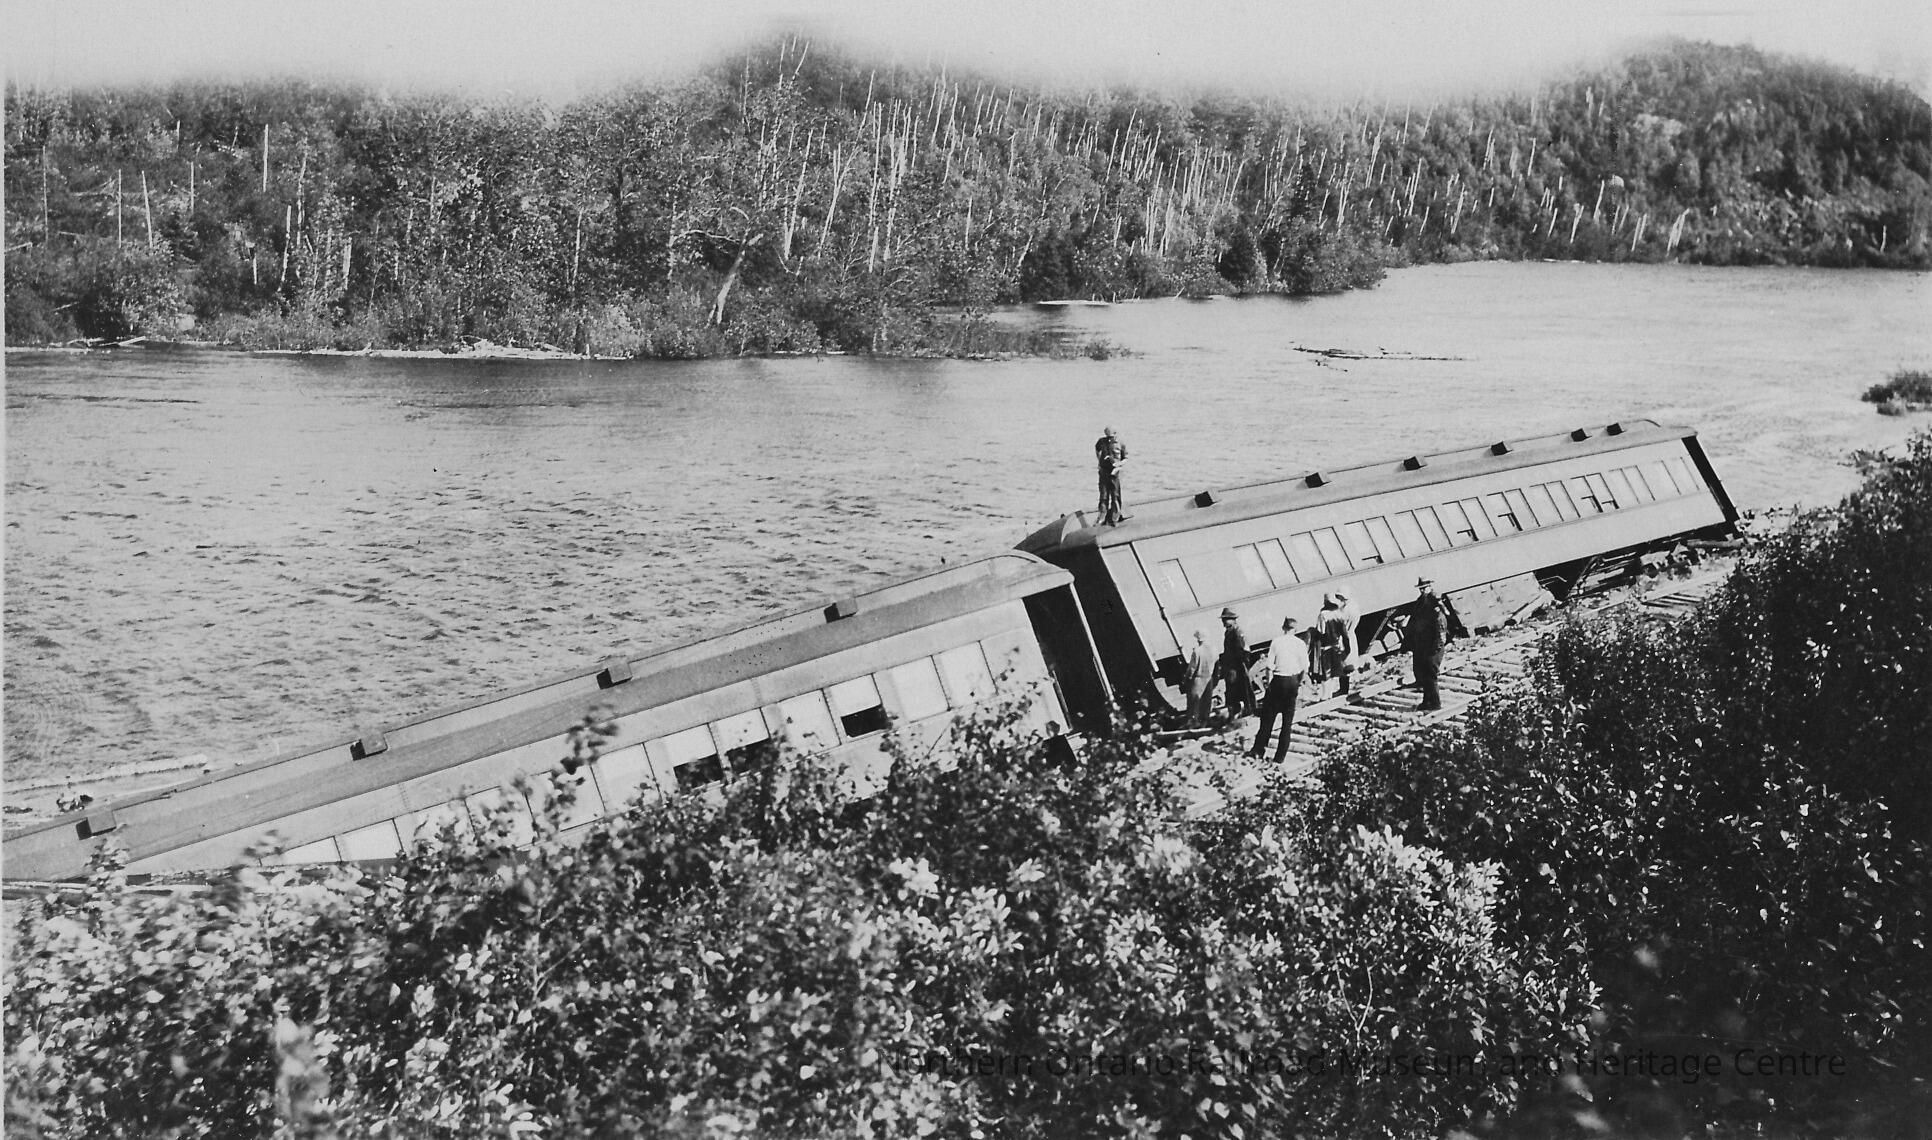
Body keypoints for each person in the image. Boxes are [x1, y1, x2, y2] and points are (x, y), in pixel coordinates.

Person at [1248, 617, 1308, 763]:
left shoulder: (1276, 642)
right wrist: (1297, 683)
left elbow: (1269, 667)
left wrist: (1269, 685)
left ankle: (1258, 750)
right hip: (1292, 681)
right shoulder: (1300, 644)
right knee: (1287, 723)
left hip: (1279, 681)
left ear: (1283, 628)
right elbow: (1305, 668)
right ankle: (1279, 758)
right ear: (1295, 629)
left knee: (1267, 719)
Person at [1403, 577, 1451, 711]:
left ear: (1430, 587)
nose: (1423, 591)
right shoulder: (1420, 602)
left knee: (1430, 675)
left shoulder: (1435, 604)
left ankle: (1435, 703)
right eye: (1421, 589)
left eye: (1425, 588)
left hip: (1433, 646)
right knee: (1424, 674)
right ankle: (1426, 701)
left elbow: (1440, 627)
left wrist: (1437, 647)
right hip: (1423, 645)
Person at [1317, 591, 1360, 702]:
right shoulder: (1340, 613)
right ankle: (1343, 690)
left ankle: (1327, 695)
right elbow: (1344, 632)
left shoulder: (1323, 614)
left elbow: (1321, 631)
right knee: (1341, 668)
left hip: (1327, 645)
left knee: (1327, 670)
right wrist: (1346, 646)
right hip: (1339, 644)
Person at [1217, 608, 1255, 719]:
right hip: (1231, 665)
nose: (1223, 622)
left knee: (1243, 687)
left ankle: (1248, 709)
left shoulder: (1237, 631)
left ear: (1233, 619)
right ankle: (1236, 710)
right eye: (1223, 619)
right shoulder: (1229, 632)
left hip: (1237, 665)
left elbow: (1244, 649)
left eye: (1226, 619)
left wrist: (1242, 664)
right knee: (1232, 689)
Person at [1183, 628, 1218, 726]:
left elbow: (1192, 668)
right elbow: (1217, 664)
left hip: (1198, 679)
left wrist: (1187, 678)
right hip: (1209, 678)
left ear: (1199, 639)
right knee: (1206, 702)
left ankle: (1194, 722)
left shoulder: (1197, 651)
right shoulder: (1214, 650)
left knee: (1194, 702)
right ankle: (1205, 722)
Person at [1094, 427, 1128, 525]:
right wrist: (1099, 461)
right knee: (1103, 495)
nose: (1109, 439)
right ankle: (1102, 516)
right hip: (1104, 471)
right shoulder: (1102, 442)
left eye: (1111, 437)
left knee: (1115, 495)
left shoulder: (1121, 443)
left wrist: (1118, 464)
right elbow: (1097, 449)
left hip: (1115, 472)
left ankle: (1115, 516)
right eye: (1107, 436)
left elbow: (1126, 458)